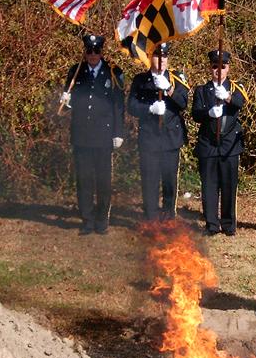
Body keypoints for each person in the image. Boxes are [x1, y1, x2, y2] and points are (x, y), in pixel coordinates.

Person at [60, 34, 125, 235]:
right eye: (89, 51)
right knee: (84, 179)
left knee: (103, 180)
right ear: (85, 52)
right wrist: (66, 100)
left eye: (97, 51)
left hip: (104, 135)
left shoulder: (113, 72)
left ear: (101, 52)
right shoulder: (76, 72)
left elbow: (118, 105)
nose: (93, 55)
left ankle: (101, 219)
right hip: (82, 134)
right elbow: (69, 104)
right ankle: (87, 219)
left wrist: (118, 132)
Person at [128, 43, 189, 221]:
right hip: (149, 138)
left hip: (171, 138)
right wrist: (149, 109)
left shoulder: (177, 78)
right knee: (149, 180)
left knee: (169, 181)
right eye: (157, 56)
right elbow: (131, 106)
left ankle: (169, 216)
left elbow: (183, 103)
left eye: (164, 56)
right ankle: (151, 218)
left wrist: (169, 89)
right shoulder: (140, 80)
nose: (161, 60)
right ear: (150, 57)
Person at [191, 50, 248, 236]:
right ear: (211, 68)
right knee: (209, 186)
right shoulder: (202, 90)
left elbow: (241, 103)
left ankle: (229, 225)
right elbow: (195, 114)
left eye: (222, 66)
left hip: (229, 144)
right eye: (215, 66)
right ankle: (211, 225)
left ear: (228, 67)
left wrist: (228, 97)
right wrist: (208, 113)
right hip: (208, 144)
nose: (218, 70)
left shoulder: (236, 87)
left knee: (229, 186)